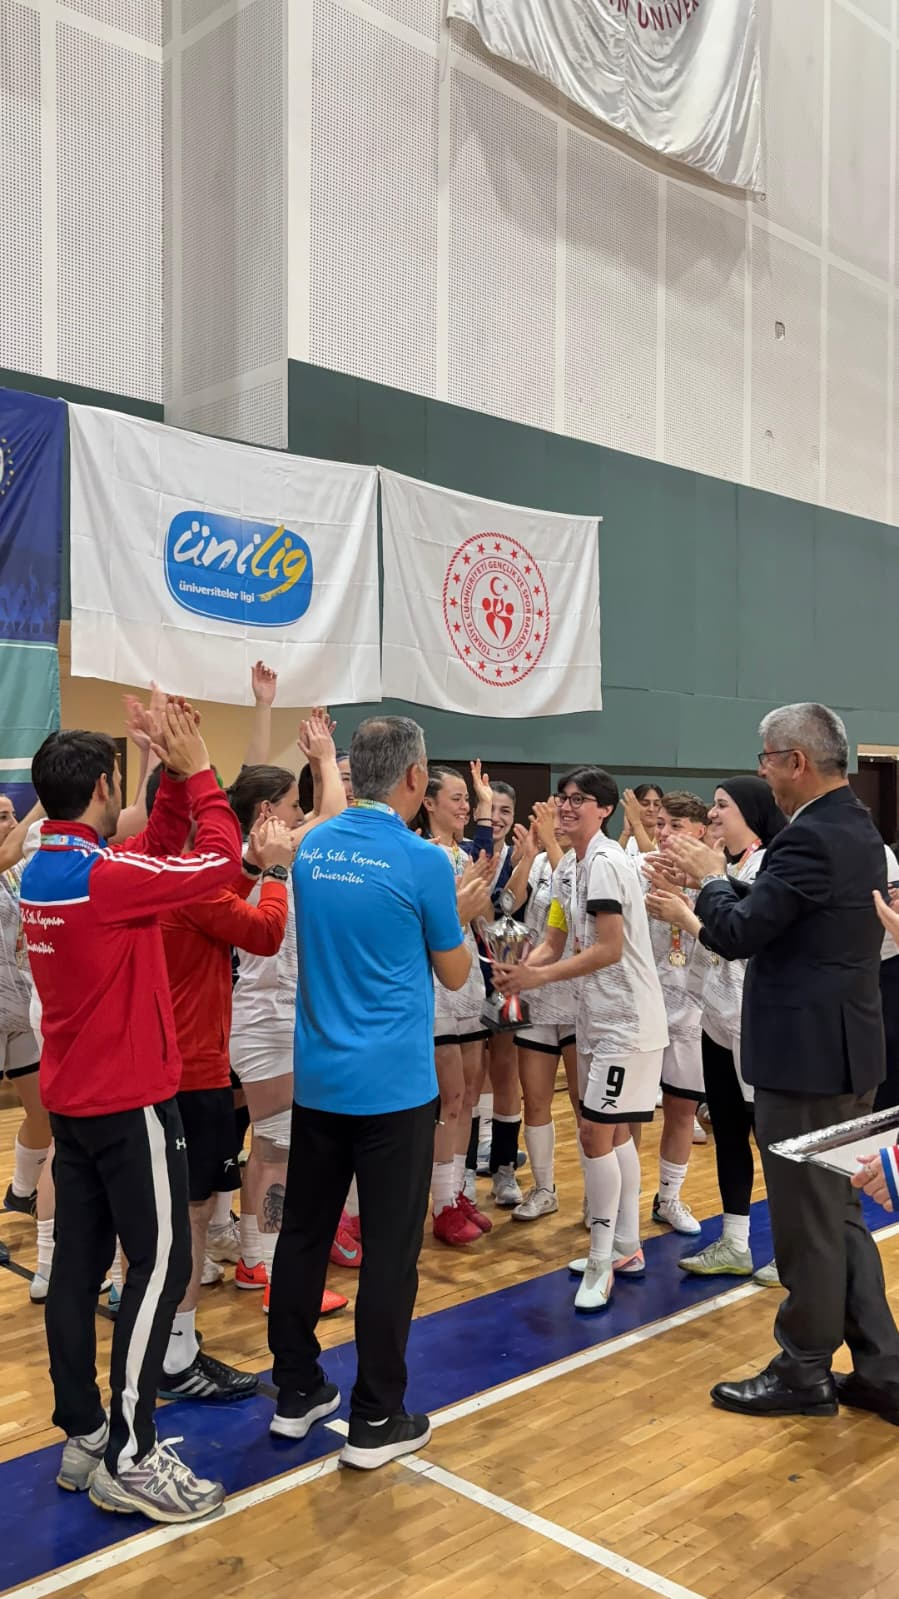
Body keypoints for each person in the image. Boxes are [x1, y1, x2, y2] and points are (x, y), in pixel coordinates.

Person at [21, 702, 243, 1521]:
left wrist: (168, 782)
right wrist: (199, 771)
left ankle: (85, 1431)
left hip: (75, 1105)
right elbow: (219, 867)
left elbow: (151, 854)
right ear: (102, 788)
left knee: (79, 1272)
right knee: (160, 1267)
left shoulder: (51, 870)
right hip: (130, 1107)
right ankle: (134, 1452)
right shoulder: (106, 879)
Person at [668, 704, 899, 1421]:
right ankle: (882, 1366)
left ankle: (802, 1366)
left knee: (805, 1221)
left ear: (795, 760)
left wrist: (709, 881)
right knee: (837, 1215)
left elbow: (740, 934)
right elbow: (785, 913)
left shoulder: (805, 840)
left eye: (766, 757)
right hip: (844, 1050)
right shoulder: (852, 826)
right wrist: (721, 884)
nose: (762, 769)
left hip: (805, 1062)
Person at [268, 716, 476, 1467]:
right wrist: (465, 914)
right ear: (416, 778)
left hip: (320, 1079)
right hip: (392, 1088)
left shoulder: (313, 846)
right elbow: (454, 974)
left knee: (302, 1235)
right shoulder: (421, 860)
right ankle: (376, 1416)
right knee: (390, 1251)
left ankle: (295, 1389)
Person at [494, 767, 668, 1311]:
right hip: (596, 1018)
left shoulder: (609, 864)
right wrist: (522, 965)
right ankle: (627, 1247)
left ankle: (601, 1258)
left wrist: (538, 977)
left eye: (579, 801)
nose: (567, 808)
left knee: (595, 1133)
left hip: (629, 1022)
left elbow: (610, 947)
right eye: (562, 799)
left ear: (605, 810)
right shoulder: (568, 866)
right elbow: (554, 937)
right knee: (610, 1136)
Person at [156, 798, 295, 1401]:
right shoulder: (191, 886)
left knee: (184, 1210)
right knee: (186, 1214)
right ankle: (173, 1355)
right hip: (192, 1073)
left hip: (183, 1065)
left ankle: (177, 1345)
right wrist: (278, 873)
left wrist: (251, 865)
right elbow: (263, 932)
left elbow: (221, 896)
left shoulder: (164, 875)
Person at [228, 722, 351, 1304]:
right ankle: (280, 1279)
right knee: (278, 1149)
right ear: (264, 813)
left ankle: (255, 1261)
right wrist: (325, 758)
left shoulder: (245, 852)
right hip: (267, 1021)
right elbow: (337, 813)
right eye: (289, 807)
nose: (300, 815)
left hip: (261, 1018)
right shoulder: (263, 853)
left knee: (267, 1146)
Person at [646, 778, 784, 1285]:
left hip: (757, 1020)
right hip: (717, 1016)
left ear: (748, 812)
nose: (713, 817)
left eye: (722, 807)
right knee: (728, 1131)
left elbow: (740, 941)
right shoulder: (726, 867)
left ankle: (791, 1249)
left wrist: (684, 910)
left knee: (771, 1138)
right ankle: (735, 1240)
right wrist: (685, 891)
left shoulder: (769, 864)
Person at [419, 763, 494, 1246]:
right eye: (457, 797)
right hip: (438, 983)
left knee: (468, 1095)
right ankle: (441, 1202)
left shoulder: (467, 853)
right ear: (428, 803)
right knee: (448, 1099)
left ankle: (457, 1191)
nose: (465, 806)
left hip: (470, 982)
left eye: (469, 799)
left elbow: (486, 914)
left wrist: (480, 887)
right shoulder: (422, 854)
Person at [502, 800, 579, 1221]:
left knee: (586, 1106)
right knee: (535, 1099)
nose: (560, 821)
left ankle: (594, 1195)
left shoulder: (587, 862)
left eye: (568, 815)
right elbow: (507, 905)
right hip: (534, 993)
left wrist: (550, 842)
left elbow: (572, 902)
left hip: (574, 993)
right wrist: (528, 854)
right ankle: (544, 1188)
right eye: (556, 816)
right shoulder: (538, 862)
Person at [639, 792, 709, 1238]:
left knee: (682, 1108)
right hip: (642, 1006)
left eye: (675, 827)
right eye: (661, 824)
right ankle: (616, 1200)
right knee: (627, 1115)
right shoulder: (637, 866)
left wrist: (686, 906)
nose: (664, 833)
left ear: (700, 831)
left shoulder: (713, 877)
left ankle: (669, 1198)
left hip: (691, 1007)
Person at [0, 792, 50, 1225]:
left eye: (13, 814)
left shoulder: (17, 866)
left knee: (43, 1111)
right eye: (3, 816)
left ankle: (19, 1192)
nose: (13, 822)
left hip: (19, 1007)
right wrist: (44, 798)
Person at [619, 784, 663, 857]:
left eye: (656, 804)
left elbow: (652, 861)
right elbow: (612, 862)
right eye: (645, 804)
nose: (651, 809)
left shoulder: (666, 839)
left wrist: (636, 823)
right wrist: (626, 833)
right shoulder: (629, 841)